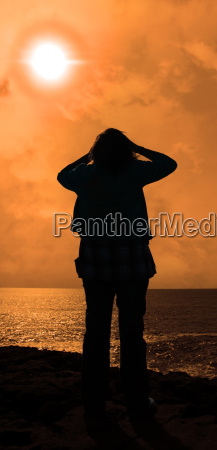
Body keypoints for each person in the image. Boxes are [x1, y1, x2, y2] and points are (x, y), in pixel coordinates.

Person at [57, 128, 177, 419]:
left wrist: (88, 157)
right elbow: (169, 163)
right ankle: (136, 402)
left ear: (96, 153)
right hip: (132, 256)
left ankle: (93, 404)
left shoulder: (84, 175)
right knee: (132, 332)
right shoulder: (136, 171)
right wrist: (138, 146)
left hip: (95, 257)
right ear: (127, 151)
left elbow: (62, 174)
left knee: (95, 332)